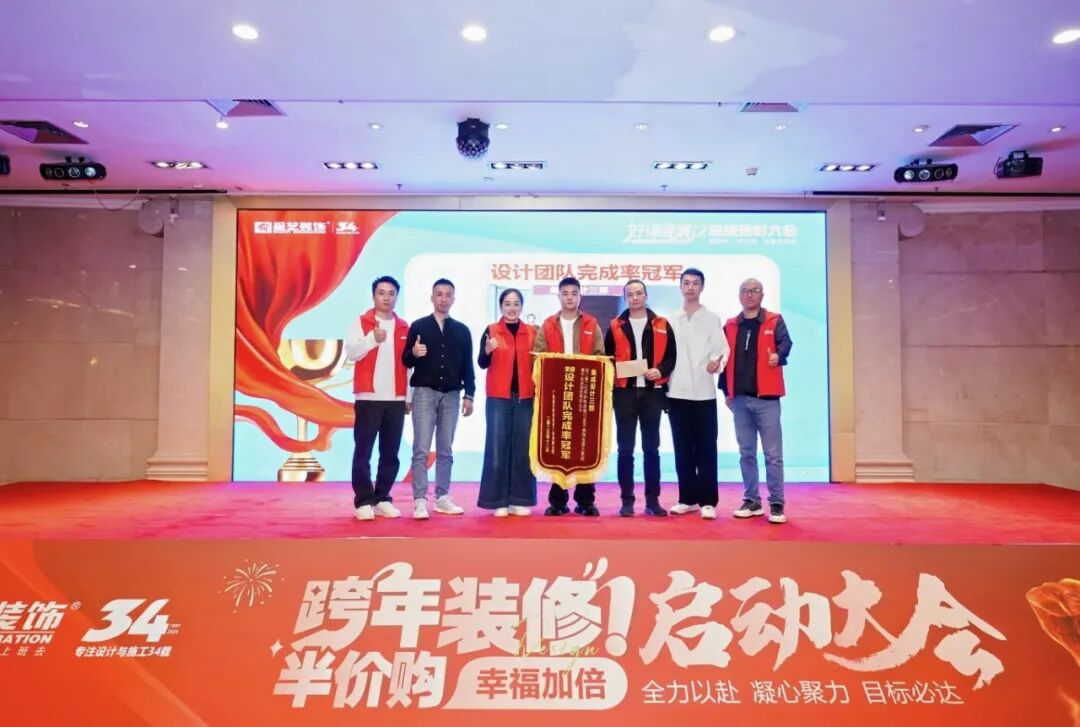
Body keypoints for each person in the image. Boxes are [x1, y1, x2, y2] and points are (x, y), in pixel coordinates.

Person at [719, 278, 793, 524]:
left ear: (762, 295)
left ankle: (777, 503)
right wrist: (726, 392)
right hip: (740, 399)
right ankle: (752, 500)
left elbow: (786, 343)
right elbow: (724, 360)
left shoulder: (774, 320)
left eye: (754, 291)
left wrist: (778, 356)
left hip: (767, 399)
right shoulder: (731, 325)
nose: (749, 295)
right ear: (739, 295)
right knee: (746, 452)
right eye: (745, 291)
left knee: (773, 454)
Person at [401, 278, 475, 519]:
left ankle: (442, 497)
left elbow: (468, 366)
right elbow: (405, 360)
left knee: (445, 450)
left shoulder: (462, 330)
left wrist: (469, 395)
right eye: (439, 294)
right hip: (424, 393)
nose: (443, 299)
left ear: (454, 299)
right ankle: (419, 500)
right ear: (431, 297)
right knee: (421, 449)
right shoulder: (419, 326)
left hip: (452, 395)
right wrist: (414, 352)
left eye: (447, 295)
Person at [533, 276, 606, 516]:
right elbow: (538, 358)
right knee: (558, 446)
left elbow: (600, 356)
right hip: (557, 396)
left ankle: (586, 501)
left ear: (580, 296)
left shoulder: (591, 324)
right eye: (565, 293)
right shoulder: (547, 325)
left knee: (585, 446)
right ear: (559, 296)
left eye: (574, 293)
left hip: (584, 395)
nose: (570, 298)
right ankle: (558, 501)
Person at [604, 279, 677, 517]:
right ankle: (627, 501)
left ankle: (652, 501)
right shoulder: (615, 325)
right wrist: (617, 371)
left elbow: (671, 357)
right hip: (624, 393)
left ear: (646, 295)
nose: (635, 298)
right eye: (630, 294)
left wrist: (660, 370)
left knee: (651, 449)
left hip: (652, 393)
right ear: (625, 298)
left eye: (639, 293)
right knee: (625, 449)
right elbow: (607, 359)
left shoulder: (661, 324)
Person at [344, 276, 411, 521]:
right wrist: (372, 339)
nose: (386, 298)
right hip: (368, 398)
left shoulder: (404, 326)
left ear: (397, 297)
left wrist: (408, 396)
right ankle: (363, 500)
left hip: (395, 399)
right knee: (363, 451)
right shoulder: (361, 322)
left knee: (390, 453)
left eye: (391, 293)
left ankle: (382, 498)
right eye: (381, 293)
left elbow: (409, 365)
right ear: (373, 296)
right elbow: (351, 353)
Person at [666, 268, 730, 520]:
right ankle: (687, 499)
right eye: (686, 283)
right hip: (677, 391)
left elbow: (722, 349)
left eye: (695, 283)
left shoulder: (712, 319)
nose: (690, 287)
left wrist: (717, 362)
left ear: (702, 287)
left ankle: (708, 501)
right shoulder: (671, 319)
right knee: (682, 448)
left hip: (704, 393)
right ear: (680, 287)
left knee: (706, 448)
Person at [477, 288, 538, 516]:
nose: (511, 308)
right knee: (497, 448)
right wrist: (486, 350)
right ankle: (497, 501)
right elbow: (482, 363)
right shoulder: (491, 330)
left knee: (523, 449)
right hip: (498, 398)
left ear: (521, 306)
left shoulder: (532, 332)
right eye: (507, 304)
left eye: (516, 304)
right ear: (501, 306)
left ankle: (520, 500)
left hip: (525, 398)